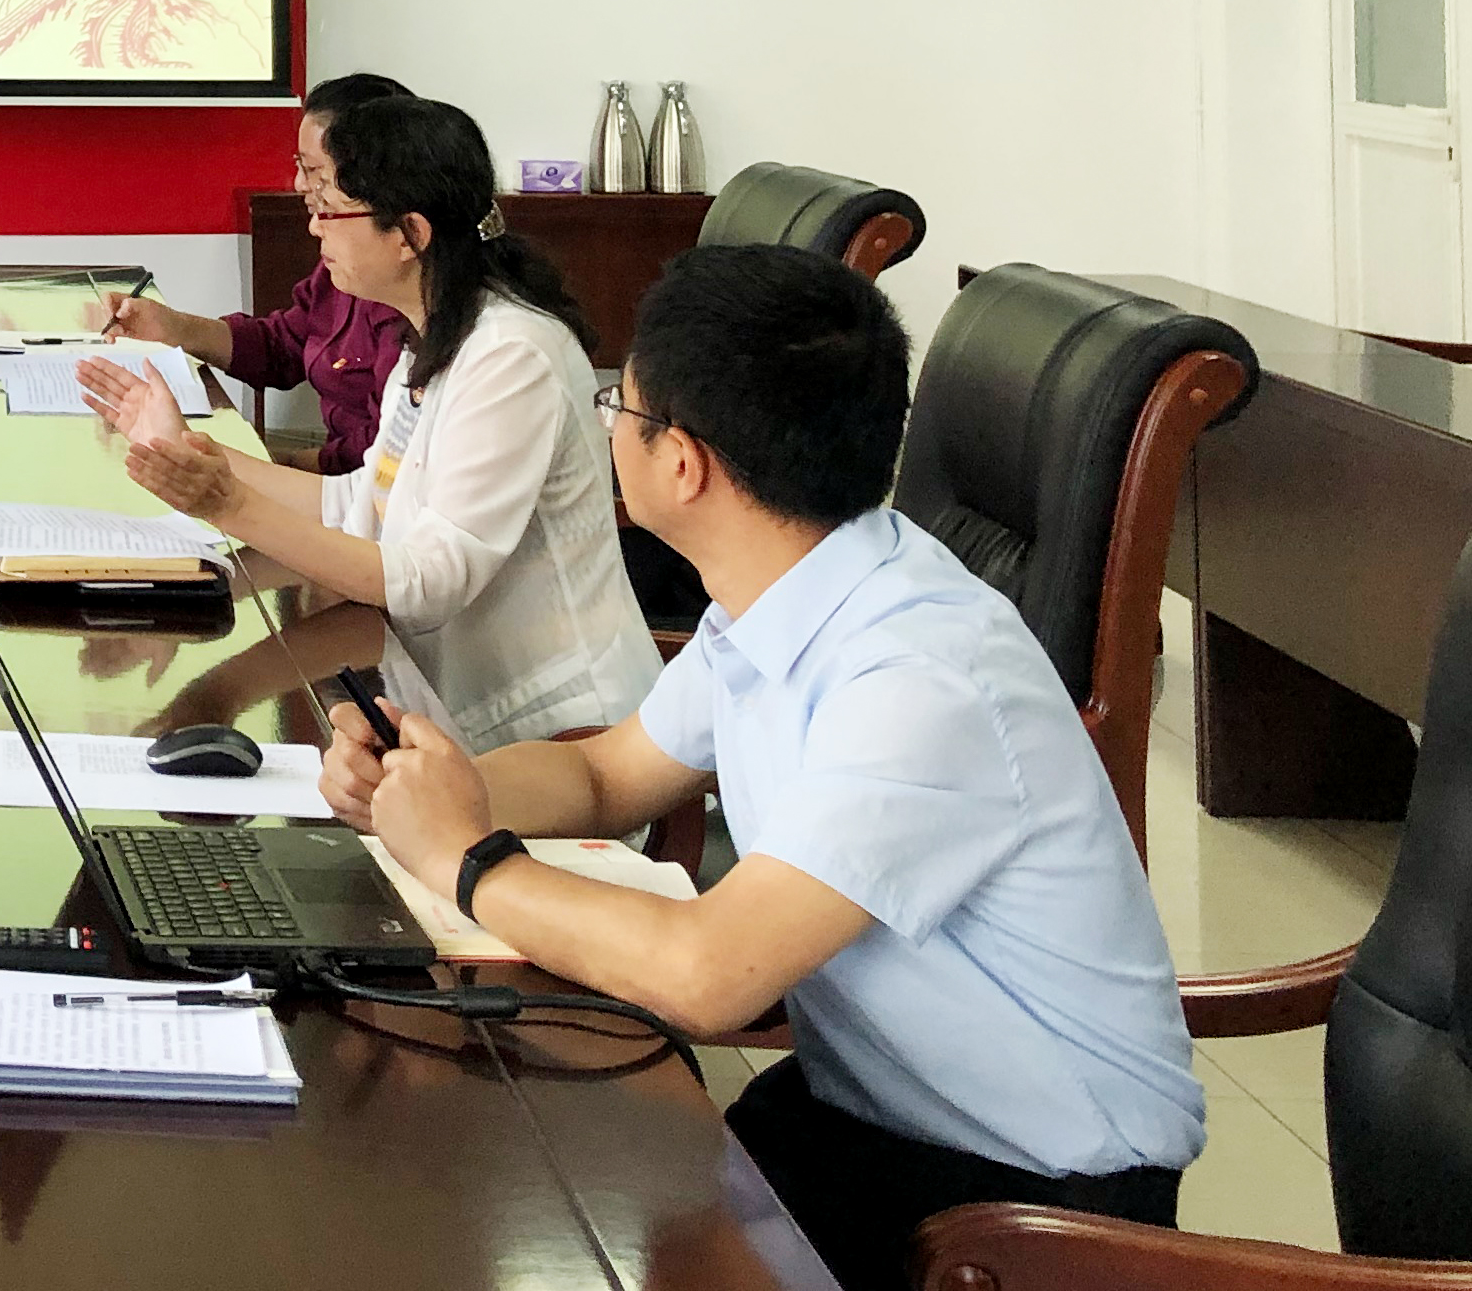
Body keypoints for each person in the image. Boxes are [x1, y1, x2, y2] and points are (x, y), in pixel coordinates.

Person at [319, 246, 1204, 1291]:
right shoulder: (791, 586)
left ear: (683, 464)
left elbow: (710, 974)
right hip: (871, 1114)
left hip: (1026, 1208)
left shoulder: (920, 674)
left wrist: (466, 859)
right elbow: (608, 774)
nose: (609, 427)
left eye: (620, 406)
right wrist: (429, 783)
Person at [78, 95, 656, 750]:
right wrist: (184, 444)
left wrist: (228, 505)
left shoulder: (511, 356)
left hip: (568, 735)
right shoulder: (433, 337)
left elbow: (427, 582)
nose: (314, 227)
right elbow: (360, 502)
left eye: (330, 209)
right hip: (458, 716)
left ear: (410, 234)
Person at [99, 70, 412, 474]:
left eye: (315, 172)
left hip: (353, 488)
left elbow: (383, 456)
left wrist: (269, 467)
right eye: (299, 166)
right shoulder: (347, 260)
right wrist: (174, 327)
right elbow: (283, 345)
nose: (300, 185)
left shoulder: (403, 294)